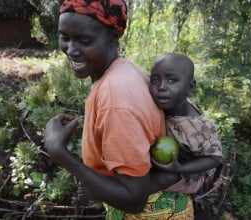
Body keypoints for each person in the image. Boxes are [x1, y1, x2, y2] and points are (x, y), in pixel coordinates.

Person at [44, 1, 194, 219]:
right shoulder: (121, 71)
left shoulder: (116, 100)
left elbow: (133, 199)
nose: (71, 49)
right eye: (64, 37)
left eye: (85, 41)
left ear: (113, 38)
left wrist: (61, 154)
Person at [148, 53, 223, 196]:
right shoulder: (168, 100)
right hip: (165, 156)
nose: (161, 87)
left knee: (166, 176)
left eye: (171, 80)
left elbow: (215, 158)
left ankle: (132, 195)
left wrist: (180, 168)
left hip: (188, 173)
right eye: (155, 80)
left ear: (190, 87)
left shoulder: (197, 127)